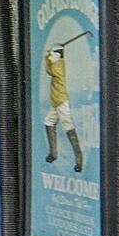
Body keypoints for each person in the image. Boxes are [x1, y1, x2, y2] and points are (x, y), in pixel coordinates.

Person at [43, 38, 86, 173]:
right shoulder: (55, 63)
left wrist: (48, 56)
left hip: (61, 102)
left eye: (53, 54)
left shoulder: (59, 65)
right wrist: (47, 57)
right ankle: (53, 153)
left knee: (68, 128)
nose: (51, 56)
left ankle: (79, 159)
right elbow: (49, 71)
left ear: (58, 55)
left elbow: (52, 70)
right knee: (49, 123)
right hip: (55, 102)